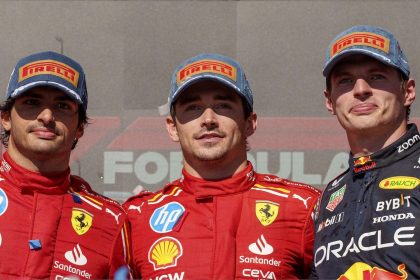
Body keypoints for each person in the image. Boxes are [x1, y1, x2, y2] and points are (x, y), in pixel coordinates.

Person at [124, 53, 320, 279]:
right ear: (172, 127)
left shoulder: (303, 207)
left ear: (249, 123)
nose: (208, 119)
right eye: (193, 107)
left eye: (223, 106)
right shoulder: (137, 218)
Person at [0, 51, 131, 279]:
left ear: (80, 126)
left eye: (62, 106)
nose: (47, 116)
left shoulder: (110, 220)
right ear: (6, 118)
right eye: (32, 102)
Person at [312, 25, 419, 279]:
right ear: (330, 101)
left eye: (377, 76)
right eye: (346, 81)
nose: (361, 89)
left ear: (408, 92)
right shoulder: (329, 195)